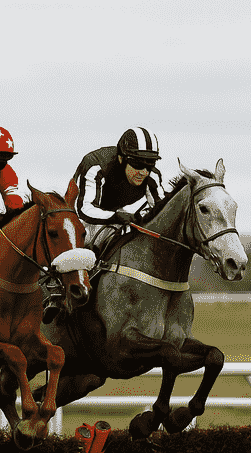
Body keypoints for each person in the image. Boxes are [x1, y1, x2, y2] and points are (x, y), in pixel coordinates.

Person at [41, 126, 163, 323]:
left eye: (150, 165)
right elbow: (85, 210)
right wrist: (118, 216)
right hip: (77, 216)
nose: (144, 171)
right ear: (122, 158)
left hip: (113, 213)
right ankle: (53, 290)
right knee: (94, 235)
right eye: (138, 164)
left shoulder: (152, 176)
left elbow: (160, 210)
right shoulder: (96, 165)